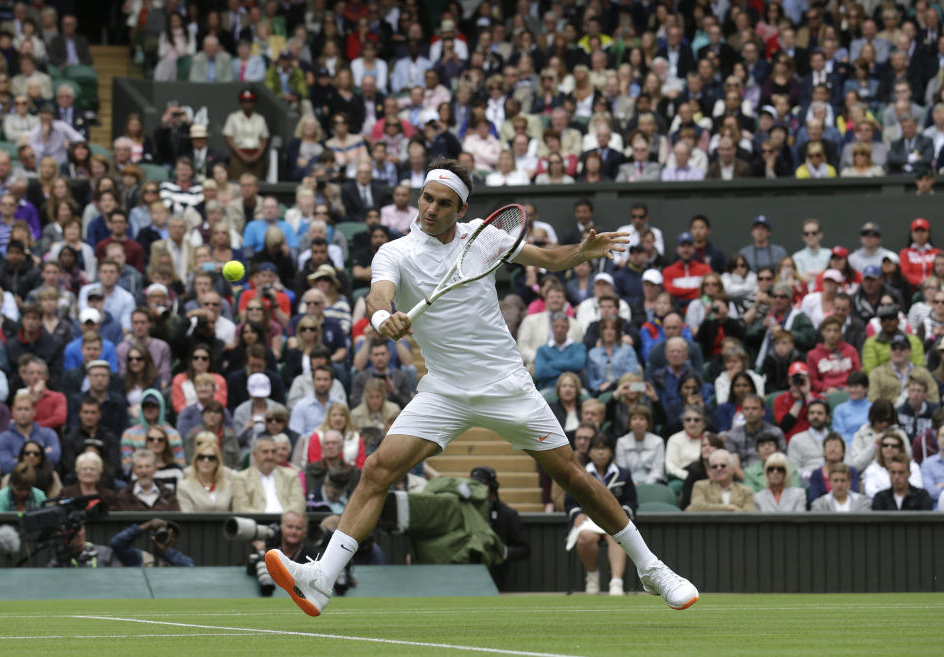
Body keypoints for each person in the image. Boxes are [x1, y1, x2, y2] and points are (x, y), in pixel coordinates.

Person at [266, 157, 698, 616]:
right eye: (427, 198)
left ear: (461, 208)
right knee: (376, 470)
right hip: (444, 391)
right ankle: (321, 579)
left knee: (574, 477)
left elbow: (549, 258)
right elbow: (379, 294)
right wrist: (380, 317)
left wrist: (583, 252)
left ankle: (652, 569)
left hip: (505, 385)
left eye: (443, 203)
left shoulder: (483, 237)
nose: (430, 209)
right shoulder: (394, 252)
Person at [565, 434, 637, 596]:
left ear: (611, 452)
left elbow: (631, 502)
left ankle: (617, 582)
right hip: (588, 521)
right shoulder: (579, 473)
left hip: (614, 521)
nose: (600, 453)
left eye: (604, 448)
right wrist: (577, 515)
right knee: (586, 536)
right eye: (596, 448)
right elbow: (570, 502)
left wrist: (622, 514)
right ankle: (592, 576)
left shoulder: (624, 474)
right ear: (589, 452)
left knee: (618, 537)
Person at [176, 438, 234, 512]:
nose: (206, 461)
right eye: (201, 457)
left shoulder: (229, 486)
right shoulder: (184, 486)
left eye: (211, 458)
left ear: (217, 462)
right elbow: (187, 516)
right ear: (196, 461)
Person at [109, 517, 194, 567]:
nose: (167, 538)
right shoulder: (139, 557)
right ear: (153, 537)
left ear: (175, 540)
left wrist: (165, 552)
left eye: (171, 535)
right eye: (165, 533)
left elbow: (190, 569)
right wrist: (147, 526)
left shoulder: (182, 560)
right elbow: (117, 543)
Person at [689, 449, 756, 511]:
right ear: (711, 471)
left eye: (723, 465)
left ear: (732, 469)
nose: (719, 469)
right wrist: (729, 508)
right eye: (714, 466)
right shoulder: (700, 486)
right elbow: (697, 508)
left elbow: (750, 515)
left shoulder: (745, 491)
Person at [862, 431, 924, 499]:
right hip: (881, 507)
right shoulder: (872, 469)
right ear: (880, 448)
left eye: (894, 446)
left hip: (909, 506)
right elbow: (871, 492)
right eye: (885, 445)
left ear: (900, 448)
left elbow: (917, 489)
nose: (889, 448)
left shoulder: (913, 466)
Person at [114, 449, 180, 511]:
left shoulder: (168, 495)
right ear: (134, 470)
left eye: (147, 466)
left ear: (155, 469)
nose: (144, 471)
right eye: (139, 467)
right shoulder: (123, 496)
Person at [614, 405, 665, 484]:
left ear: (648, 423)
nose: (638, 422)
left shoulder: (658, 441)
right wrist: (632, 484)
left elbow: (658, 470)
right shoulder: (621, 442)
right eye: (634, 419)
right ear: (629, 423)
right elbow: (622, 469)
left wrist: (647, 484)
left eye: (642, 419)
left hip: (653, 483)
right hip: (629, 483)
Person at [808, 433, 861, 503]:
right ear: (824, 452)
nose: (833, 449)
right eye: (829, 446)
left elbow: (855, 494)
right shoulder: (816, 474)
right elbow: (813, 499)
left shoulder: (852, 471)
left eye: (836, 446)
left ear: (843, 452)